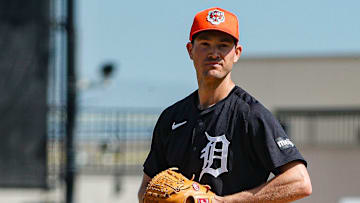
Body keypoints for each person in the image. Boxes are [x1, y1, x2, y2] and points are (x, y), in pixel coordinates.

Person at [138, 7, 312, 203]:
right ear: (190, 50)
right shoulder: (171, 118)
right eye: (205, 44)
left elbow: (299, 182)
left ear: (236, 53)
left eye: (223, 45)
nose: (214, 53)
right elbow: (146, 188)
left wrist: (225, 202)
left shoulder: (250, 115)